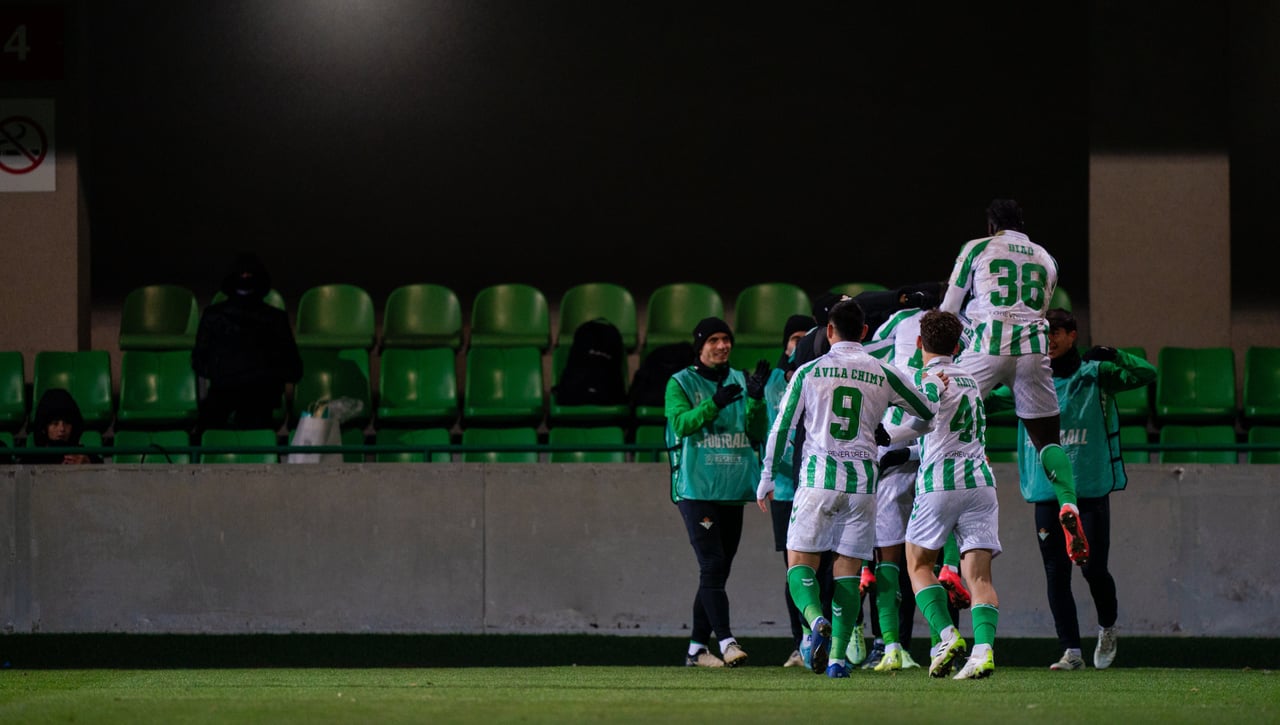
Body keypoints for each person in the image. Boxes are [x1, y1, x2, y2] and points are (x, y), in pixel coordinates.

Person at [758, 299, 943, 679]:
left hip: (818, 480)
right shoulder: (883, 371)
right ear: (864, 332)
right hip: (863, 485)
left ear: (829, 331)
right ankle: (839, 659)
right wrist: (889, 435)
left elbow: (782, 429)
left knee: (800, 565)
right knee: (848, 572)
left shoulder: (809, 370)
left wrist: (766, 477)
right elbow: (927, 412)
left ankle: (814, 621)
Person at [987, 308, 1155, 671]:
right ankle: (1071, 652)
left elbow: (1147, 373)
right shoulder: (1027, 382)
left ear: (1073, 335)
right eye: (1043, 334)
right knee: (1055, 573)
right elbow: (984, 401)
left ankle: (1107, 628)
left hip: (1089, 490)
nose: (1049, 341)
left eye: (1056, 333)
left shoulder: (1096, 375)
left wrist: (1112, 353)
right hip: (1047, 493)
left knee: (1093, 569)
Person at [939, 199, 1090, 567]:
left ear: (993, 226)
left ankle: (948, 560)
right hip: (1033, 350)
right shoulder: (1046, 258)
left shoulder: (977, 248)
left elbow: (948, 309)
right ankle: (1068, 501)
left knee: (941, 431)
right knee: (1047, 440)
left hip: (988, 345)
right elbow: (1037, 308)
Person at [884, 309, 1001, 680]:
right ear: (957, 344)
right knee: (978, 577)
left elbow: (926, 413)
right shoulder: (972, 378)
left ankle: (948, 635)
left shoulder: (927, 377)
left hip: (941, 482)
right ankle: (982, 652)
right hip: (981, 481)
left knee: (917, 564)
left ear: (920, 344)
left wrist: (885, 437)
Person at [666, 316, 770, 668]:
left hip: (732, 487)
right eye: (713, 339)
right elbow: (680, 424)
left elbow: (758, 432)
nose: (722, 345)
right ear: (700, 346)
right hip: (697, 489)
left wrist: (755, 400)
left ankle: (696, 649)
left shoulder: (740, 379)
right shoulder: (680, 382)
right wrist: (715, 403)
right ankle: (726, 641)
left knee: (718, 571)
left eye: (726, 339)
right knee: (711, 564)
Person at [762, 313, 821, 668]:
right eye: (794, 338)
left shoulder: (821, 375)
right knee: (795, 569)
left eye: (806, 338)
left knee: (825, 570)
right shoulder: (772, 382)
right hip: (787, 490)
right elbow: (772, 432)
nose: (799, 344)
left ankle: (829, 638)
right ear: (785, 344)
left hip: (818, 484)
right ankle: (800, 642)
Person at [192, 253, 302, 431]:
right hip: (237, 399)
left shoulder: (274, 319)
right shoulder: (274, 319)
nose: (245, 278)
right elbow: (293, 369)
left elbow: (294, 368)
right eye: (242, 275)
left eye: (249, 275)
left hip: (255, 399)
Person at [27, 388, 102, 464]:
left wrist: (88, 463)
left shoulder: (82, 455)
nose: (62, 429)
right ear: (44, 428)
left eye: (67, 423)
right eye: (55, 423)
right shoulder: (32, 459)